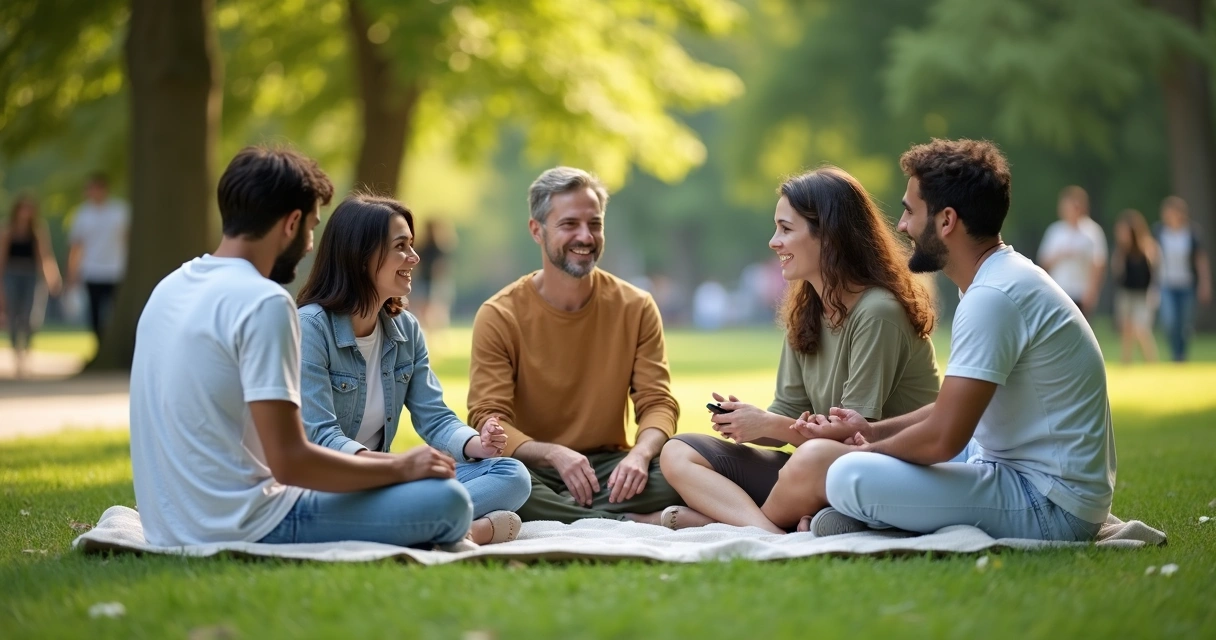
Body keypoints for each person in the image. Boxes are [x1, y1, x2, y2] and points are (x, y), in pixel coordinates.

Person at [130, 146, 474, 548]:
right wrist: (401, 466)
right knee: (447, 501)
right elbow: (291, 461)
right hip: (248, 522)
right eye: (311, 227)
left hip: (166, 525)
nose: (312, 245)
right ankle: (463, 529)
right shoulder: (264, 302)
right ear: (291, 223)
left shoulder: (168, 288)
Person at [790, 139, 1115, 542]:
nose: (902, 225)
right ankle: (878, 513)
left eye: (910, 211)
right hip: (999, 464)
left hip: (1051, 503)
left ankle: (874, 511)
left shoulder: (994, 298)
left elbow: (944, 438)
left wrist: (863, 454)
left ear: (946, 221)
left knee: (845, 473)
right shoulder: (992, 282)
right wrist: (872, 432)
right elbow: (949, 411)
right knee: (856, 468)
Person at [658, 167, 940, 533]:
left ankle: (742, 523)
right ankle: (773, 529)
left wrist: (770, 424)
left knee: (811, 458)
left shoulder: (878, 311)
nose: (774, 242)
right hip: (816, 463)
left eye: (786, 229)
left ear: (830, 236)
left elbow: (855, 433)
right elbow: (786, 417)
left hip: (882, 467)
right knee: (677, 452)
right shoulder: (807, 309)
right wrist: (746, 421)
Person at [296, 194, 530, 545]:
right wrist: (397, 470)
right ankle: (454, 528)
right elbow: (321, 437)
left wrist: (475, 444)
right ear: (361, 257)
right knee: (436, 493)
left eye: (412, 245)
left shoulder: (405, 329)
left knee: (512, 474)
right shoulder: (310, 329)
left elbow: (434, 417)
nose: (415, 257)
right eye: (401, 246)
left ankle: (430, 523)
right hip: (329, 486)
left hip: (387, 483)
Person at [467, 166, 682, 524]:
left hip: (610, 468)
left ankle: (566, 513)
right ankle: (621, 520)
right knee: (493, 480)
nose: (585, 236)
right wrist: (553, 454)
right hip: (532, 466)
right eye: (569, 224)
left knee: (685, 464)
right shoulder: (499, 314)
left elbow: (657, 402)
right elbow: (488, 419)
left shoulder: (636, 306)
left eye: (594, 224)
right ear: (537, 230)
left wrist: (641, 456)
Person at [0, 195, 62, 378]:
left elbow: (44, 256)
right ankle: (16, 353)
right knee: (13, 315)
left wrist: (52, 276)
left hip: (30, 275)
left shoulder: (37, 231)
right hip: (12, 274)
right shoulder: (8, 230)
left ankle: (26, 351)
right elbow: (2, 258)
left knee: (30, 315)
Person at [67, 173, 128, 343]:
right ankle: (100, 343)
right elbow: (76, 246)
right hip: (91, 271)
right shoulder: (82, 214)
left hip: (116, 270)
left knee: (115, 311)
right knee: (94, 313)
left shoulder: (120, 211)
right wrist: (72, 274)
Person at [1154, 196, 1212, 362]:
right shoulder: (1159, 232)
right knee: (1170, 321)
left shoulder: (1191, 233)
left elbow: (1200, 260)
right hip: (1166, 284)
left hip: (1186, 284)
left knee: (1185, 324)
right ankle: (1174, 353)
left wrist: (1205, 284)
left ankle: (1181, 356)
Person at [1037, 186, 1106, 316]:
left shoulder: (1092, 232)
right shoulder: (1055, 231)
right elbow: (1044, 262)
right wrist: (1060, 255)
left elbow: (1098, 264)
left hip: (1081, 291)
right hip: (1059, 290)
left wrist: (1092, 291)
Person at [1111, 209, 1158, 363]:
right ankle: (1126, 361)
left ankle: (1150, 361)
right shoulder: (1122, 251)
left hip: (1143, 294)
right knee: (1126, 329)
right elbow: (1117, 272)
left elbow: (1154, 271)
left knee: (1141, 329)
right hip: (1126, 293)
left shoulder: (1148, 247)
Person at [413, 218, 458, 333]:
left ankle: (431, 332)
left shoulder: (427, 247)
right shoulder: (438, 248)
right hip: (429, 281)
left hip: (429, 281)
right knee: (430, 309)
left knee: (428, 309)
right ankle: (432, 332)